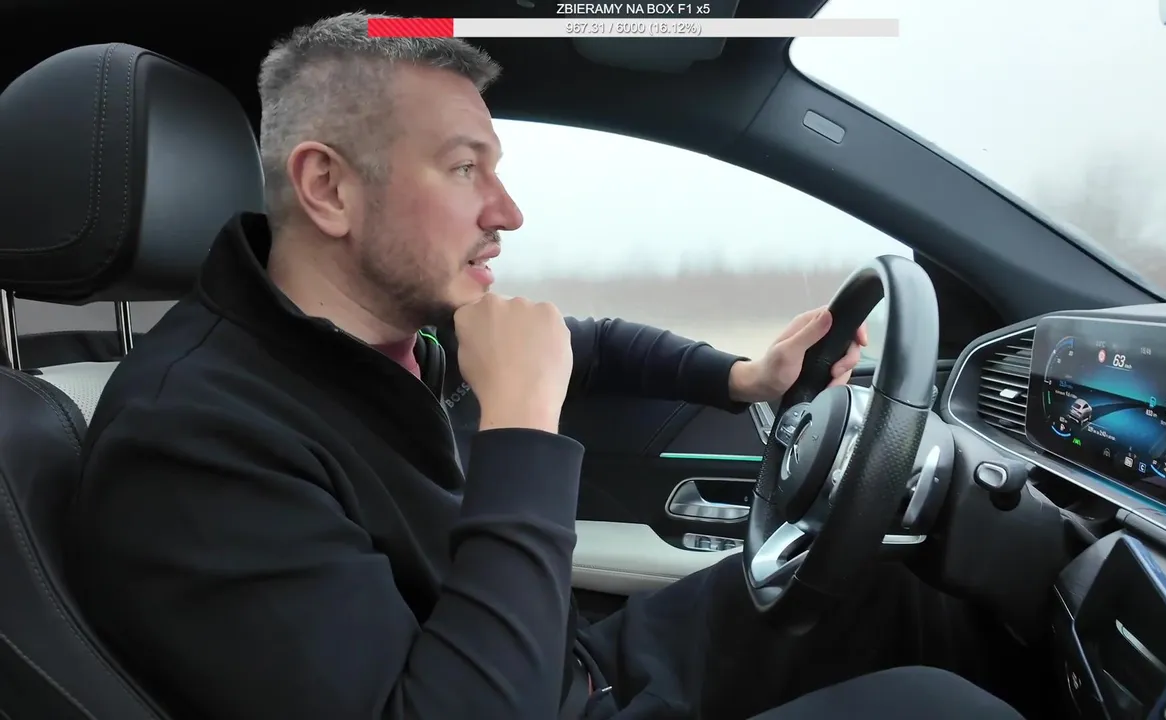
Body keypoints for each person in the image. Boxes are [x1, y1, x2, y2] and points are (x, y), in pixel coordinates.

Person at [66, 13, 1026, 720]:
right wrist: (521, 424)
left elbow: (584, 343)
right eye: (465, 168)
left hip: (563, 670)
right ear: (329, 188)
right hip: (519, 695)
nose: (509, 211)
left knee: (899, 588)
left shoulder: (377, 337)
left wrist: (745, 380)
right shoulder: (195, 441)